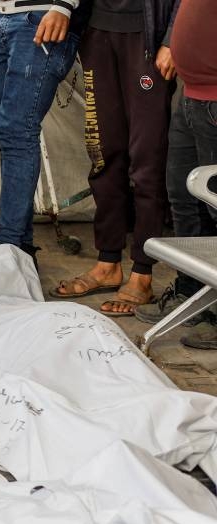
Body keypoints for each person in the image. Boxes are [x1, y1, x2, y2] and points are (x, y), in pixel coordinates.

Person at [49, 0, 177, 316]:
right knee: (103, 154)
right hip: (98, 32)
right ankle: (108, 263)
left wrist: (173, 39)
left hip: (147, 38)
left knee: (147, 161)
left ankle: (142, 274)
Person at [0, 0, 90, 269]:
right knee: (9, 134)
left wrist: (64, 5)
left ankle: (10, 246)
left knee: (18, 132)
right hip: (7, 16)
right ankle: (19, 247)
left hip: (41, 15)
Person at [136, 0, 217, 348]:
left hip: (214, 97)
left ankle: (215, 311)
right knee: (182, 197)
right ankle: (190, 290)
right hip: (190, 92)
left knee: (215, 205)